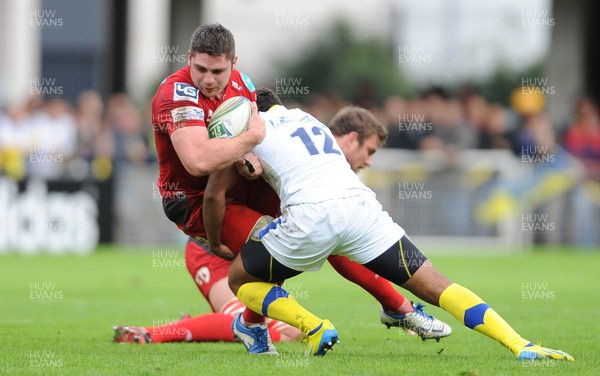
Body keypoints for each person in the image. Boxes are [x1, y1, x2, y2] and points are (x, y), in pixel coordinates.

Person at [114, 23, 449, 345]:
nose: (208, 79)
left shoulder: (249, 95)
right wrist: (251, 138)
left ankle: (394, 309)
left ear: (233, 64)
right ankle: (157, 333)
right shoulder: (183, 94)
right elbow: (201, 164)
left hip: (245, 212)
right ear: (348, 139)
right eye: (369, 151)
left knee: (321, 240)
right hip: (207, 229)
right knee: (282, 315)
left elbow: (244, 157)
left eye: (217, 72)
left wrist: (248, 155)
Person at [204, 87, 574, 361]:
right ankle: (519, 343)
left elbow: (213, 194)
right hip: (362, 208)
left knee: (240, 278)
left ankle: (315, 326)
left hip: (311, 215)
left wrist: (218, 239)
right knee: (438, 286)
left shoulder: (251, 128)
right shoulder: (307, 117)